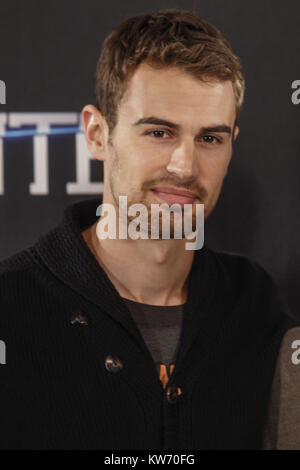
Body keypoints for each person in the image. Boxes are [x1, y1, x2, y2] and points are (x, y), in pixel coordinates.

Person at [0, 8, 298, 450]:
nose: (185, 165)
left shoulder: (255, 306)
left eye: (210, 138)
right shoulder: (11, 308)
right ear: (98, 134)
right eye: (159, 133)